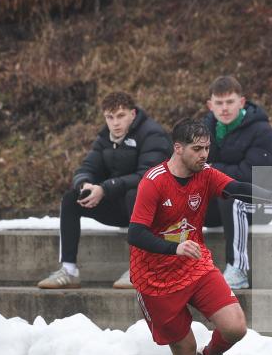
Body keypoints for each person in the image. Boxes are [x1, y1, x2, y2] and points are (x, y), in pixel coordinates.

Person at [128, 118, 272, 355]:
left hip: (195, 266)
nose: (204, 154)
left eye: (207, 148)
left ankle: (213, 354)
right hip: (155, 279)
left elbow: (234, 188)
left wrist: (269, 196)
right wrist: (174, 248)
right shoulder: (153, 182)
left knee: (235, 326)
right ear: (178, 148)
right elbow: (136, 233)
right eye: (197, 149)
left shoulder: (204, 174)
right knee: (184, 351)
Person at [37, 92, 171, 289]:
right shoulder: (105, 138)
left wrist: (105, 188)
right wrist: (85, 184)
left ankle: (142, 268)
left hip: (158, 209)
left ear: (133, 114)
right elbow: (86, 168)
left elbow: (148, 176)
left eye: (121, 116)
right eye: (110, 117)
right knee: (71, 199)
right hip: (122, 206)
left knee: (136, 194)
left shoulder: (152, 134)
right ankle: (69, 270)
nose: (115, 123)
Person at [203, 75, 272, 289]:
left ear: (242, 102)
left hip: (263, 202)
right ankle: (174, 264)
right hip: (221, 204)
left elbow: (249, 175)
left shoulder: (261, 130)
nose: (224, 108)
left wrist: (212, 170)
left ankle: (237, 269)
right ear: (210, 105)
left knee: (232, 196)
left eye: (230, 102)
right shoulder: (204, 129)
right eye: (219, 103)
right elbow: (192, 167)